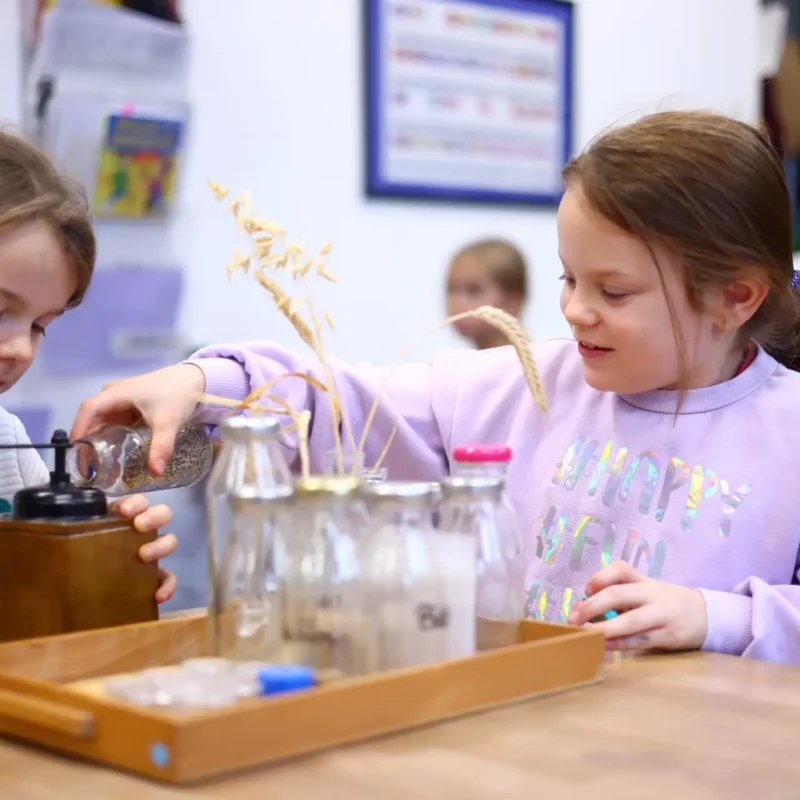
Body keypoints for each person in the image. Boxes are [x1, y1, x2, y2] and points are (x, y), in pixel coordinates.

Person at [73, 111, 800, 663]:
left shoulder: (787, 431)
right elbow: (339, 400)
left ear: (736, 297)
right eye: (569, 279)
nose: (576, 310)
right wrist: (202, 381)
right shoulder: (516, 387)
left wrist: (721, 618)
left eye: (614, 291)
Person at [0, 128, 176, 604]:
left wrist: (112, 565)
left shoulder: (10, 446)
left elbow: (44, 596)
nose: (20, 349)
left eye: (39, 325)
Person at [445, 238, 528, 349]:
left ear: (513, 301)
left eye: (473, 290)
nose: (458, 302)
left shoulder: (534, 364)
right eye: (452, 289)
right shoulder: (462, 363)